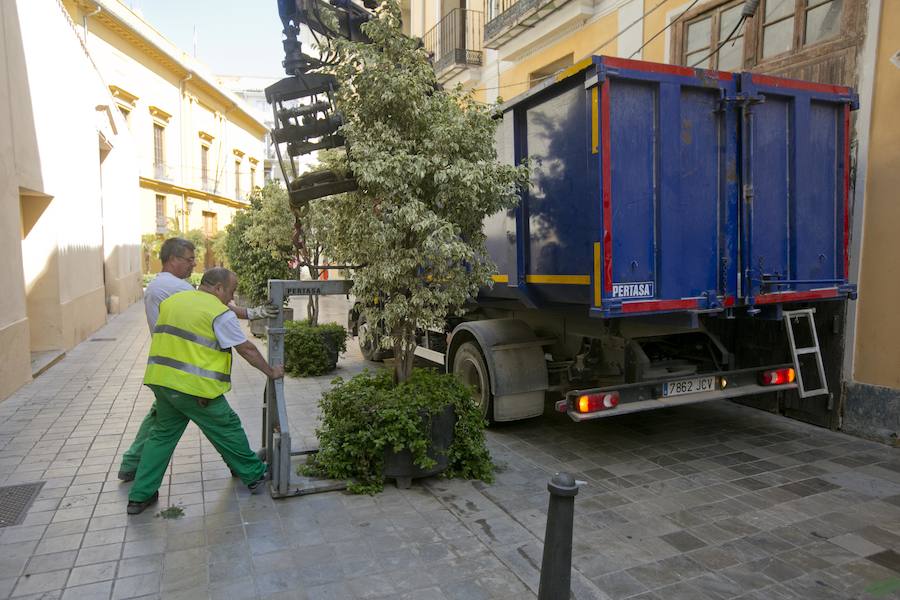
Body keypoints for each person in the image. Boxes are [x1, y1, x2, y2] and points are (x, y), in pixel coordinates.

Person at [126, 267, 284, 515]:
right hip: (195, 389)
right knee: (227, 426)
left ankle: (139, 496)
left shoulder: (174, 302)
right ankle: (253, 474)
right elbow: (247, 350)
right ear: (219, 288)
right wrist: (271, 372)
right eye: (230, 292)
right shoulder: (217, 312)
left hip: (162, 381)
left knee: (161, 437)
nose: (231, 298)